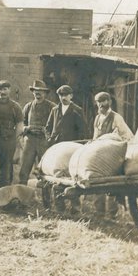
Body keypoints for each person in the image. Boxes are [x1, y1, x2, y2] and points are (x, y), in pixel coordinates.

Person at [91, 91, 133, 218]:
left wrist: (116, 141)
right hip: (100, 155)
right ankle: (99, 212)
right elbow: (95, 137)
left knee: (111, 184)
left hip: (112, 157)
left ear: (109, 102)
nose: (101, 104)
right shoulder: (97, 118)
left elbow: (128, 136)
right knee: (97, 182)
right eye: (98, 102)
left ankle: (111, 213)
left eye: (103, 101)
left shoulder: (116, 118)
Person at [46, 84, 87, 214]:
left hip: (71, 148)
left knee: (72, 176)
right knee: (57, 175)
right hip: (57, 147)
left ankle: (75, 208)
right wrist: (50, 139)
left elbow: (83, 130)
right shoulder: (55, 110)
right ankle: (59, 207)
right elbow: (48, 127)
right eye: (61, 95)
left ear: (71, 96)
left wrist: (78, 146)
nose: (63, 97)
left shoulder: (77, 110)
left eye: (66, 95)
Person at [18, 80, 56, 184]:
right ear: (33, 92)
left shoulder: (52, 107)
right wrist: (27, 128)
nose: (38, 93)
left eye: (40, 91)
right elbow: (22, 123)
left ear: (45, 93)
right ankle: (22, 191)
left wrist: (47, 131)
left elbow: (56, 124)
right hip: (30, 141)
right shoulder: (28, 106)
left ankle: (46, 194)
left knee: (45, 170)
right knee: (24, 169)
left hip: (44, 141)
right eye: (35, 91)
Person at [0, 80, 23, 189]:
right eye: (0, 89)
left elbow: (19, 125)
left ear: (9, 90)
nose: (2, 92)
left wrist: (15, 141)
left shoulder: (15, 106)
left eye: (5, 89)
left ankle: (2, 194)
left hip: (8, 141)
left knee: (6, 169)